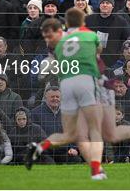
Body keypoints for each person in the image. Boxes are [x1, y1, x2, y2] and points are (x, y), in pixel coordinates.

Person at [25, 9, 105, 180]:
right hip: (85, 81)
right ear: (83, 20)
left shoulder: (60, 40)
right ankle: (97, 171)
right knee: (94, 130)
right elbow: (99, 49)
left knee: (72, 134)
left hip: (66, 85)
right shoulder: (89, 34)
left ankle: (39, 148)